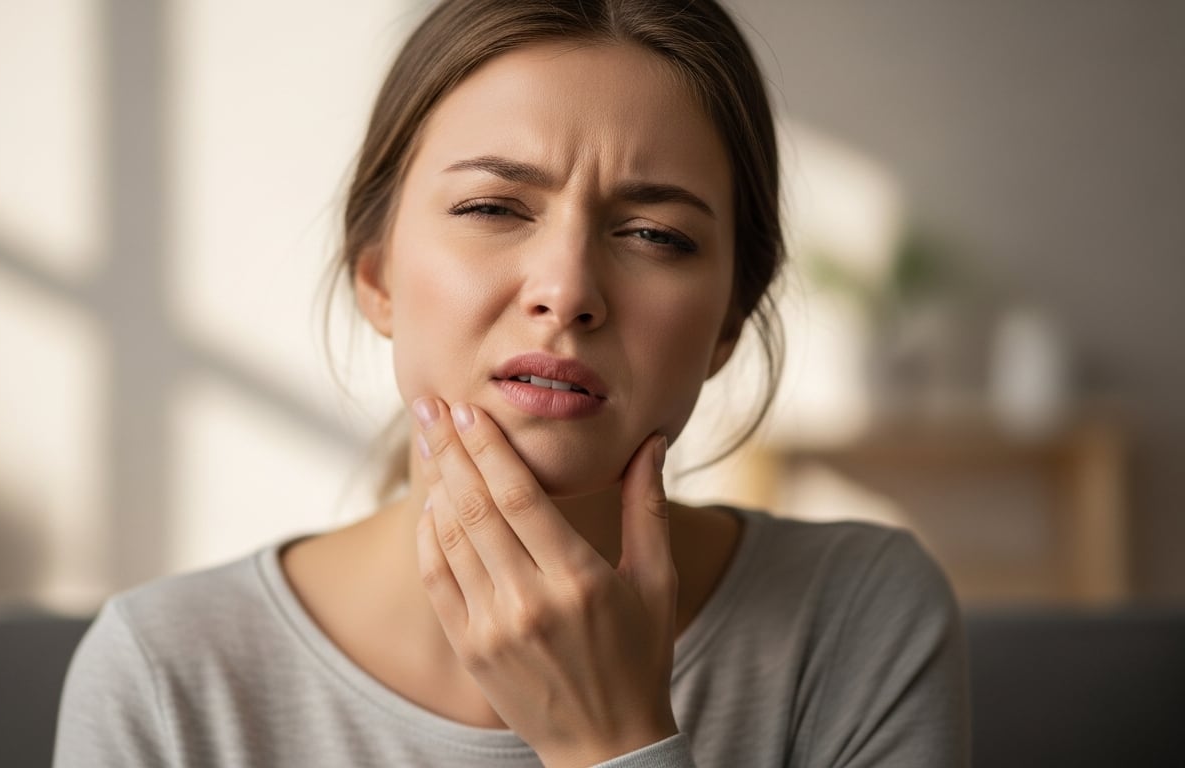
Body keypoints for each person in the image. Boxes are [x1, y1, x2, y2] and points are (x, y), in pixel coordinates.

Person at [54, 0, 969, 765]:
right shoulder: (167, 680)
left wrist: (613, 739)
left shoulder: (856, 619)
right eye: (493, 208)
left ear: (729, 320)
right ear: (375, 274)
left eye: (655, 235)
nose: (567, 292)